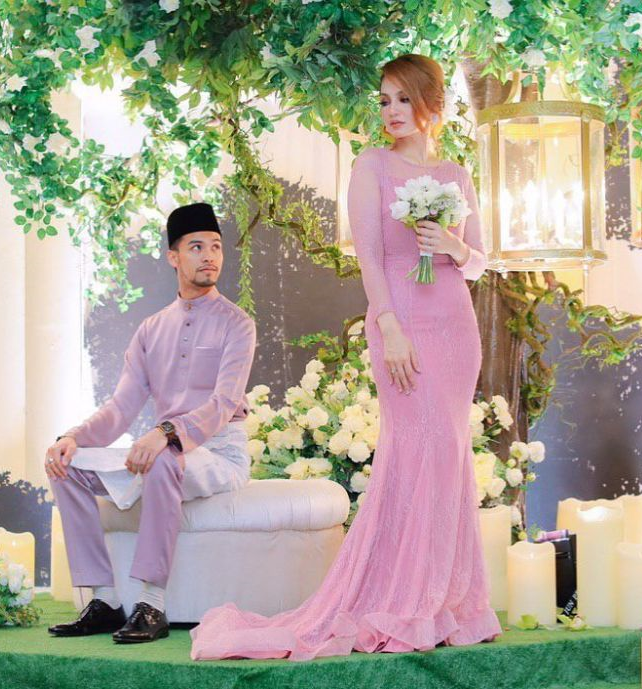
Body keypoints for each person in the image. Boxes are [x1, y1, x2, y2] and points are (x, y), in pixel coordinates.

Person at [189, 54, 501, 661]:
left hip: (455, 328)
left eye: (403, 99)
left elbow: (479, 262)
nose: (391, 111)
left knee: (449, 454)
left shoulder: (455, 175)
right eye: (384, 100)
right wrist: (390, 327)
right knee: (414, 450)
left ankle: (444, 603)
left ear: (431, 103)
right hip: (401, 325)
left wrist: (453, 244)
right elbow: (371, 260)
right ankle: (402, 598)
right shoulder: (371, 166)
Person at [45, 202, 257, 644]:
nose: (209, 256)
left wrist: (166, 434)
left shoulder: (238, 324)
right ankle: (104, 601)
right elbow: (120, 408)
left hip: (218, 451)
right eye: (196, 247)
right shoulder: (151, 329)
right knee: (67, 466)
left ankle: (152, 604)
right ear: (173, 257)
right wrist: (71, 438)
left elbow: (223, 403)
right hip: (165, 448)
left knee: (163, 459)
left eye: (216, 246)